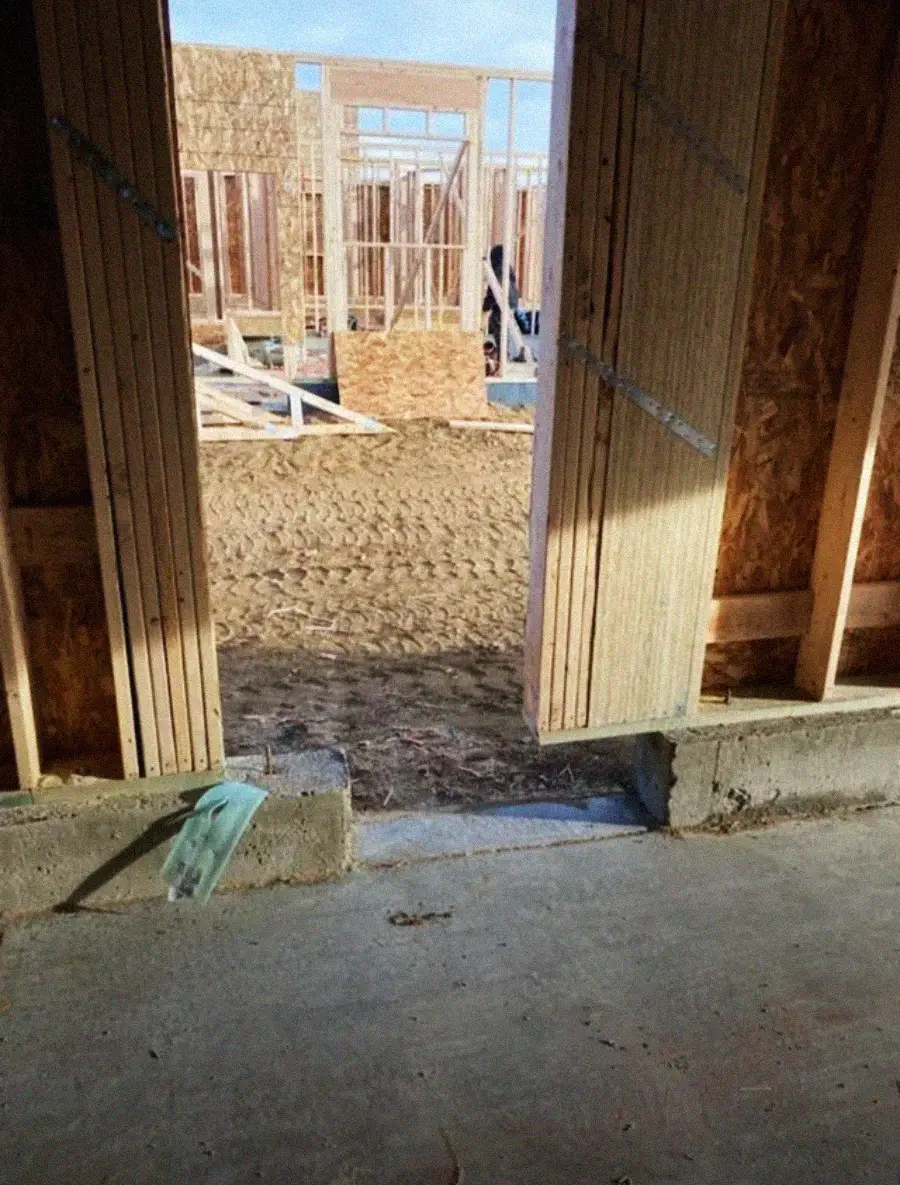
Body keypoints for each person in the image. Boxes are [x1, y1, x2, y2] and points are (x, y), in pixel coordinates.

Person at [483, 245, 530, 361]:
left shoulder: (499, 269)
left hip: (503, 301)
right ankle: (506, 354)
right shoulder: (507, 268)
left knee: (498, 326)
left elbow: (494, 290)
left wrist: (486, 306)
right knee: (504, 327)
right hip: (511, 300)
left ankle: (503, 355)